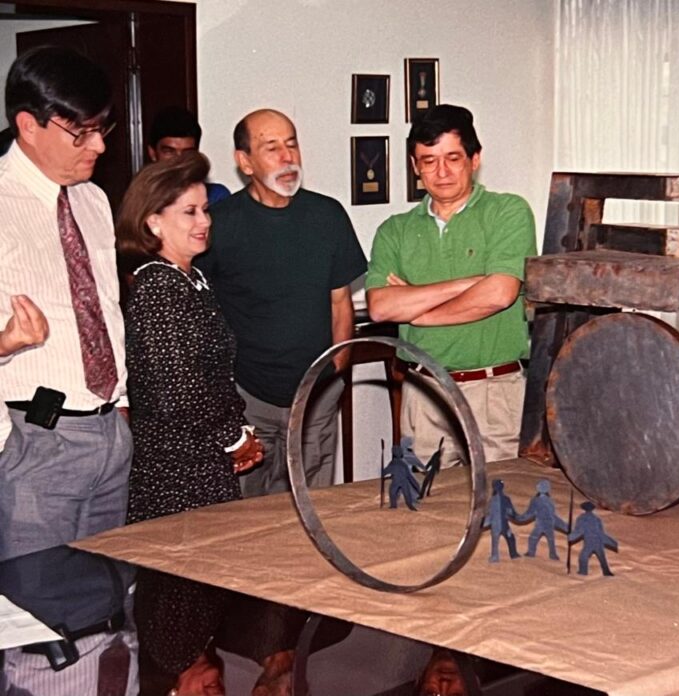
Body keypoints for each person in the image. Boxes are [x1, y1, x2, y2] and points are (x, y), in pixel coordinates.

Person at [116, 151, 265, 696]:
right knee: (180, 600)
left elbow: (213, 378)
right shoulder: (159, 290)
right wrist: (233, 437)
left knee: (202, 599)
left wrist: (239, 430)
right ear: (153, 221)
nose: (204, 222)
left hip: (202, 467)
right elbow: (180, 393)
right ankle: (170, 671)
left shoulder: (189, 280)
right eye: (189, 213)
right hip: (176, 476)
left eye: (205, 210)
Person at [0, 45, 131, 562]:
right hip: (34, 440)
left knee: (107, 607)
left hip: (109, 436)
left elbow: (105, 311)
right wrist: (6, 341)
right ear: (28, 125)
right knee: (37, 619)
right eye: (81, 132)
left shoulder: (93, 200)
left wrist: (120, 409)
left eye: (103, 128)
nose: (97, 145)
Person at [196, 108, 366, 497]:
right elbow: (204, 315)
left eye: (292, 145)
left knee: (312, 512)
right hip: (247, 401)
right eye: (272, 148)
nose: (288, 158)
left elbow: (340, 303)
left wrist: (334, 374)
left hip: (316, 398)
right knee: (247, 518)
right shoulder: (219, 224)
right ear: (244, 161)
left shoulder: (327, 215)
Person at [366, 104, 536, 467]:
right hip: (423, 393)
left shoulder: (508, 212)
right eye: (428, 161)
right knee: (425, 513)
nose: (441, 172)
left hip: (495, 394)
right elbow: (381, 307)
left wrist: (420, 313)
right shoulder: (394, 230)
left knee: (500, 509)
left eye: (452, 158)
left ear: (475, 159)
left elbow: (500, 293)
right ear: (415, 166)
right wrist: (469, 282)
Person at [146, 105, 230, 204]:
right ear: (153, 153)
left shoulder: (215, 197)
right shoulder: (141, 199)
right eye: (169, 152)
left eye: (187, 153)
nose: (179, 160)